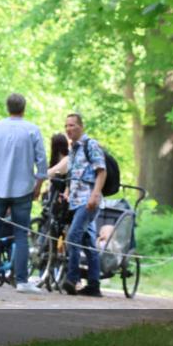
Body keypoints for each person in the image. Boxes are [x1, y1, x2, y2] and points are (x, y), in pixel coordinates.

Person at [0, 93, 47, 294]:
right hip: (24, 189)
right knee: (21, 233)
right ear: (24, 108)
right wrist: (38, 186)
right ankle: (22, 281)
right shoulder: (32, 129)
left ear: (8, 107)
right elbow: (42, 161)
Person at [61, 113, 106, 297]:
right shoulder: (73, 149)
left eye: (72, 125)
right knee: (88, 242)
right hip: (75, 200)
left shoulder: (90, 145)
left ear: (81, 126)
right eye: (66, 126)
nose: (69, 129)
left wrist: (95, 195)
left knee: (73, 236)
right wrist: (66, 191)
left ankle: (72, 279)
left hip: (88, 200)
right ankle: (94, 285)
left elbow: (101, 171)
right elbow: (73, 174)